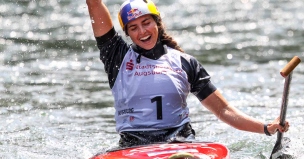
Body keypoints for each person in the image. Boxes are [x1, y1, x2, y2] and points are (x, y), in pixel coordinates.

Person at [86, 0, 289, 147]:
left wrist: (265, 127)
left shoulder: (185, 62)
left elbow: (223, 110)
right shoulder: (118, 57)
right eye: (134, 28)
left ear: (157, 22)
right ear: (127, 33)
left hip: (180, 143)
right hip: (133, 146)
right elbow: (93, 3)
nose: (142, 31)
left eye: (146, 22)